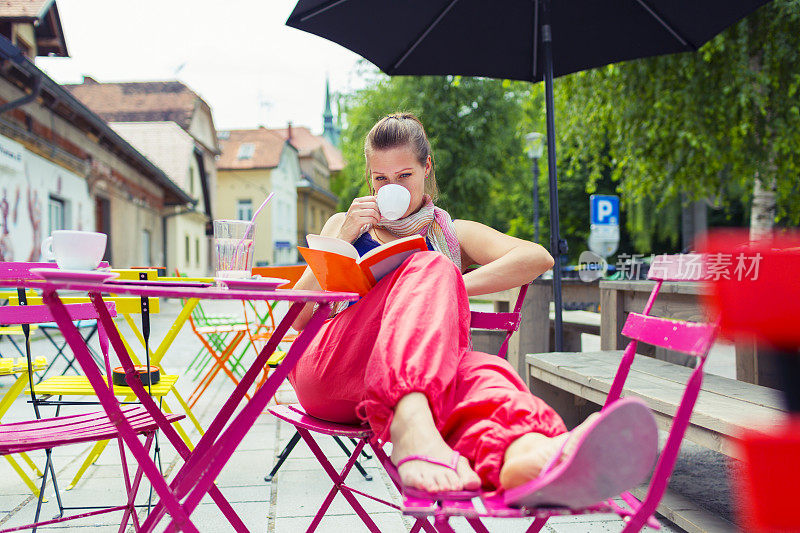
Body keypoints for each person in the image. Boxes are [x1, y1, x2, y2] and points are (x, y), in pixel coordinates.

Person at [288, 113, 657, 506]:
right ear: (368, 179)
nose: (391, 187)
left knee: (487, 372)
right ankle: (410, 423)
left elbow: (537, 257)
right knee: (431, 268)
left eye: (404, 176)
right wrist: (340, 244)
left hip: (407, 382)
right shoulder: (341, 226)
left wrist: (448, 287)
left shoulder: (450, 232)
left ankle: (531, 457)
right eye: (380, 179)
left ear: (427, 168)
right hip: (332, 369)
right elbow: (294, 320)